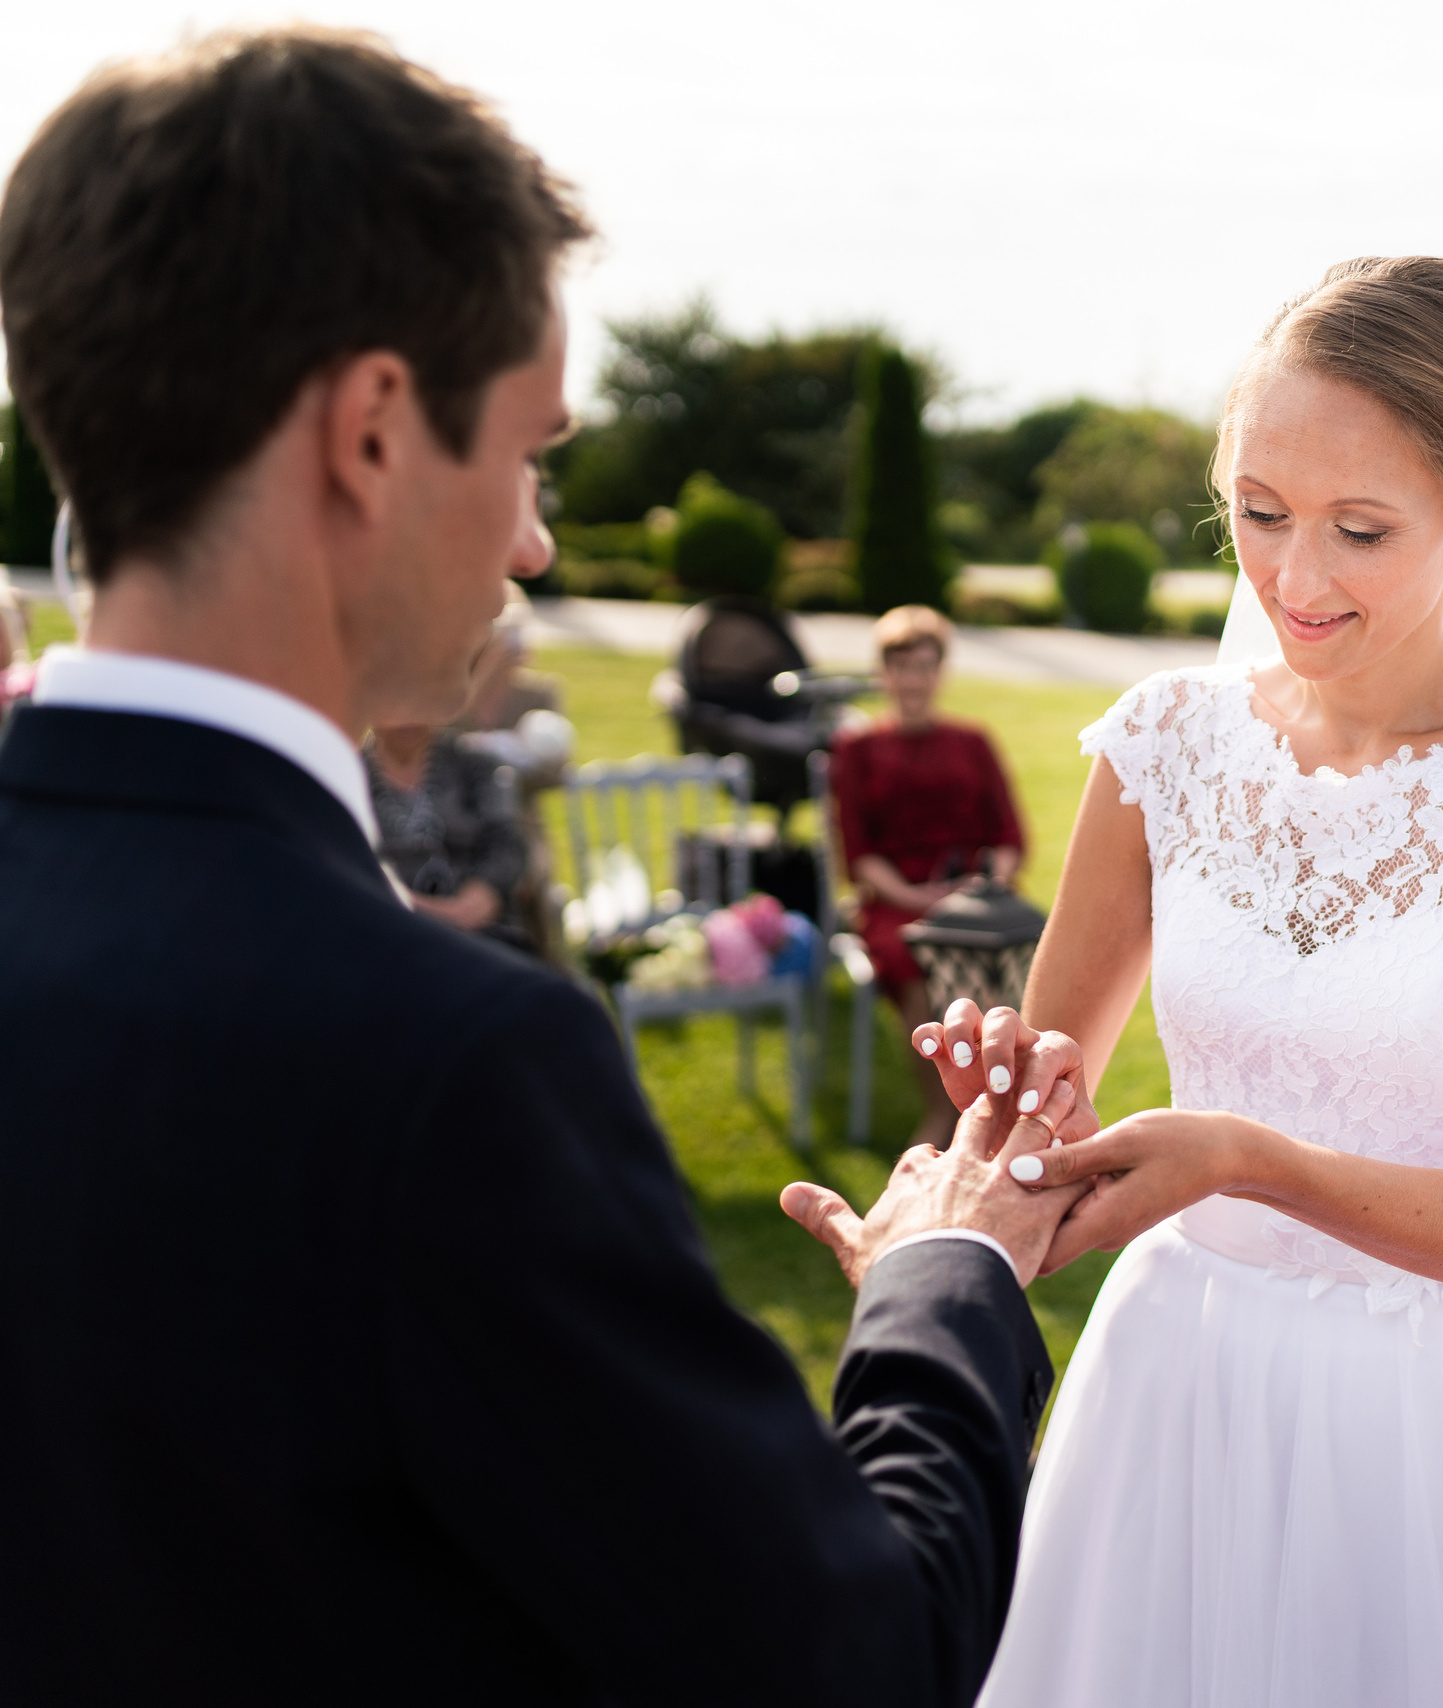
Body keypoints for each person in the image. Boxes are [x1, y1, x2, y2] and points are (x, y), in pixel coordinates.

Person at [0, 31, 1097, 1702]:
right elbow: (845, 1654)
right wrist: (949, 1275)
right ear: (372, 430)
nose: (531, 542)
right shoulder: (442, 1061)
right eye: (528, 451)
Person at [918, 258, 1443, 1707]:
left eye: (1360, 529)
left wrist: (1246, 1157)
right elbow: (1048, 1111)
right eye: (1258, 514)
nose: (1295, 580)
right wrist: (1012, 1103)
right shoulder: (1162, 744)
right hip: (1175, 1398)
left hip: (1441, 1435)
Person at [829, 603, 1026, 1146]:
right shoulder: (857, 749)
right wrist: (915, 894)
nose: (913, 678)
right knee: (913, 957)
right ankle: (947, 1110)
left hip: (976, 893)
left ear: (940, 672)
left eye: (924, 665)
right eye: (901, 665)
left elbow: (1007, 834)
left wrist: (989, 886)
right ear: (884, 672)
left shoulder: (972, 742)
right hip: (899, 900)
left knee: (1020, 949)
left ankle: (1012, 1102)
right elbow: (858, 850)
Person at [369, 600, 539, 952]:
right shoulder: (352, 776)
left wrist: (480, 897)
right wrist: (430, 912)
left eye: (422, 702)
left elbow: (506, 843)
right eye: (396, 703)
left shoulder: (471, 765)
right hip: (388, 935)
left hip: (481, 934)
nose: (409, 718)